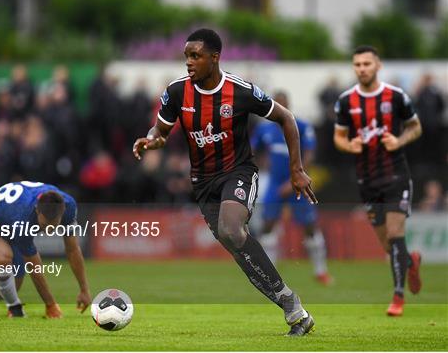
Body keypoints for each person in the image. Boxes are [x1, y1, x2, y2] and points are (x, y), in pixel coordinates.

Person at [133, 29, 317, 336]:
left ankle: (292, 306)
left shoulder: (240, 91)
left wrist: (297, 169)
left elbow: (287, 118)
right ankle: (291, 305)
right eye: (186, 57)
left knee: (230, 229)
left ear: (214, 58)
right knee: (235, 246)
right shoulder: (177, 92)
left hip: (239, 172)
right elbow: (161, 131)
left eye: (195, 56)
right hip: (203, 183)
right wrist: (150, 140)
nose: (189, 63)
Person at [333, 45, 423, 317]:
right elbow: (339, 137)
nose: (362, 69)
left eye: (366, 64)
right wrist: (350, 146)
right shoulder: (346, 101)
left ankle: (397, 296)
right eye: (357, 64)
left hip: (396, 174)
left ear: (378, 66)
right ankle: (410, 261)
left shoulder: (395, 96)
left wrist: (399, 140)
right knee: (387, 244)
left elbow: (415, 127)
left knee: (396, 234)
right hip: (367, 179)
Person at [0, 181, 91, 318]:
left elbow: (73, 249)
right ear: (37, 210)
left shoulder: (70, 205)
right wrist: (50, 304)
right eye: (44, 225)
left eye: (53, 226)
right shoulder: (23, 217)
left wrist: (84, 290)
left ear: (64, 212)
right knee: (3, 257)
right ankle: (15, 307)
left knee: (10, 287)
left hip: (10, 220)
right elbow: (34, 266)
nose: (48, 230)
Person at [251, 91, 332, 285]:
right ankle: (269, 276)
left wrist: (295, 178)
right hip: (275, 184)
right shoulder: (265, 129)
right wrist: (261, 163)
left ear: (288, 105)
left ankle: (321, 271)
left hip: (298, 183)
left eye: (283, 104)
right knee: (267, 225)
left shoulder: (302, 126)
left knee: (310, 227)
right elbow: (253, 149)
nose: (279, 108)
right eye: (276, 104)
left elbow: (310, 154)